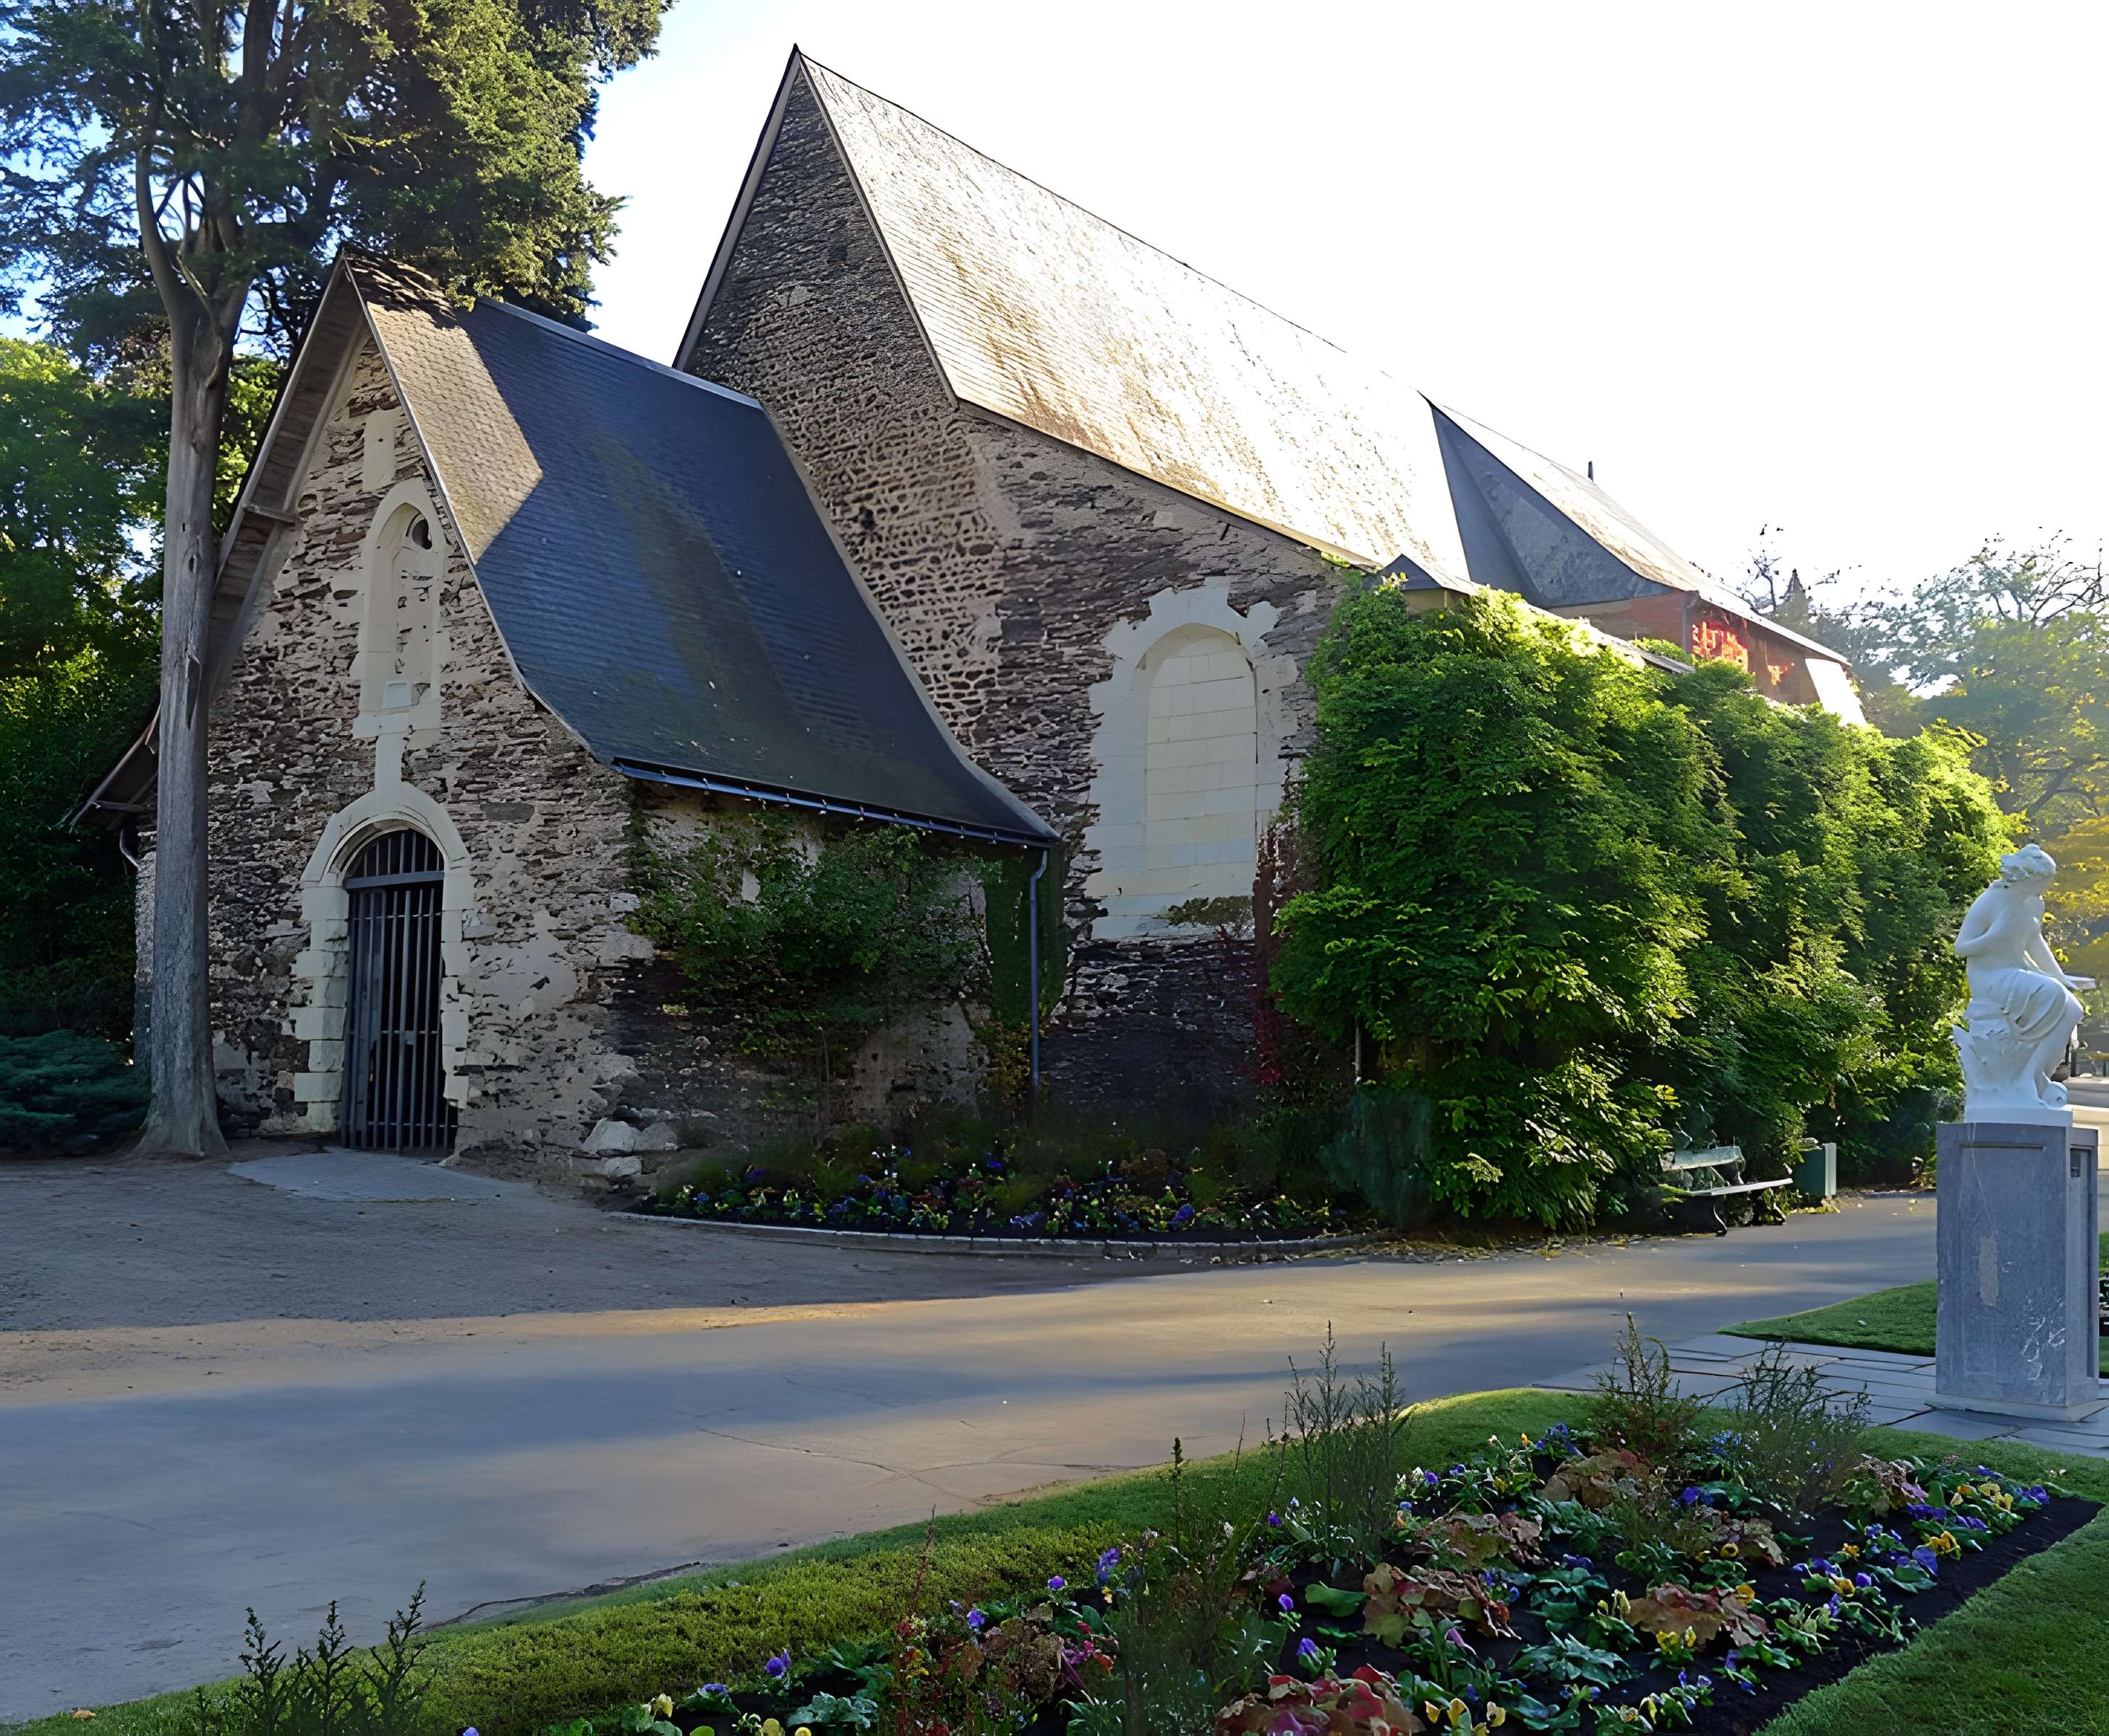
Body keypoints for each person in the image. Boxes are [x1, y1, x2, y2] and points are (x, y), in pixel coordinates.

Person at [1953, 844, 2095, 1110]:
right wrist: (1993, 938)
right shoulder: (1991, 901)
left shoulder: (2034, 903)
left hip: (2018, 971)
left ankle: (2033, 1076)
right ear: (2027, 877)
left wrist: (2059, 976)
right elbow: (1962, 948)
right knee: (2052, 994)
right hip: (1991, 977)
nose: (2048, 885)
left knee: (2073, 1009)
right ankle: (2020, 1076)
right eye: (2045, 879)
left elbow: (2034, 941)